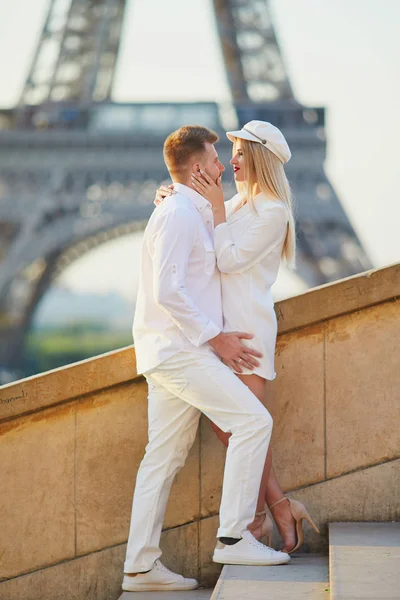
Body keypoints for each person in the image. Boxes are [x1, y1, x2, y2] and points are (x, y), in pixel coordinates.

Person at [122, 125, 290, 594]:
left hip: (170, 350)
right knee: (254, 423)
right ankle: (235, 535)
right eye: (218, 160)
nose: (223, 167)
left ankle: (139, 566)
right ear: (198, 168)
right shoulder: (178, 212)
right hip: (182, 350)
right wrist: (217, 338)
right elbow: (168, 290)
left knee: (164, 456)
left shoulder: (188, 209)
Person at [155, 120, 320, 555]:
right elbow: (198, 228)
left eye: (242, 154)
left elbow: (226, 259)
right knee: (235, 428)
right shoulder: (240, 202)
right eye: (230, 153)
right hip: (222, 329)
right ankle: (280, 507)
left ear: (261, 159)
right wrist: (172, 195)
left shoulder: (272, 212)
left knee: (242, 428)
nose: (232, 162)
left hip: (245, 330)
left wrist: (215, 206)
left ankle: (258, 519)